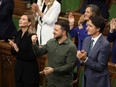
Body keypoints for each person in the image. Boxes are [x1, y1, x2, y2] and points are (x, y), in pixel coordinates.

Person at [31, 19, 77, 87]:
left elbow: (70, 66)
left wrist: (53, 70)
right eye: (54, 29)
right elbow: (39, 53)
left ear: (64, 32)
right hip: (49, 82)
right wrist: (34, 43)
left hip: (63, 84)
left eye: (56, 30)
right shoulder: (51, 42)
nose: (53, 32)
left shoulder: (71, 47)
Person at [77, 16, 111, 87]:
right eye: (87, 25)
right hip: (86, 79)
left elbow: (100, 66)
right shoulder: (86, 40)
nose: (86, 28)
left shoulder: (105, 44)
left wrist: (85, 59)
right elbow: (82, 61)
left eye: (90, 26)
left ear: (98, 28)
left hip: (98, 82)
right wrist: (80, 57)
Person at [9, 14, 39, 87]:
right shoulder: (18, 33)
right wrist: (13, 47)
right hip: (19, 71)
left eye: (23, 19)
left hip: (29, 73)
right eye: (20, 18)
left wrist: (17, 49)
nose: (20, 20)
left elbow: (31, 56)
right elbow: (13, 52)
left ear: (29, 23)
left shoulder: (33, 36)